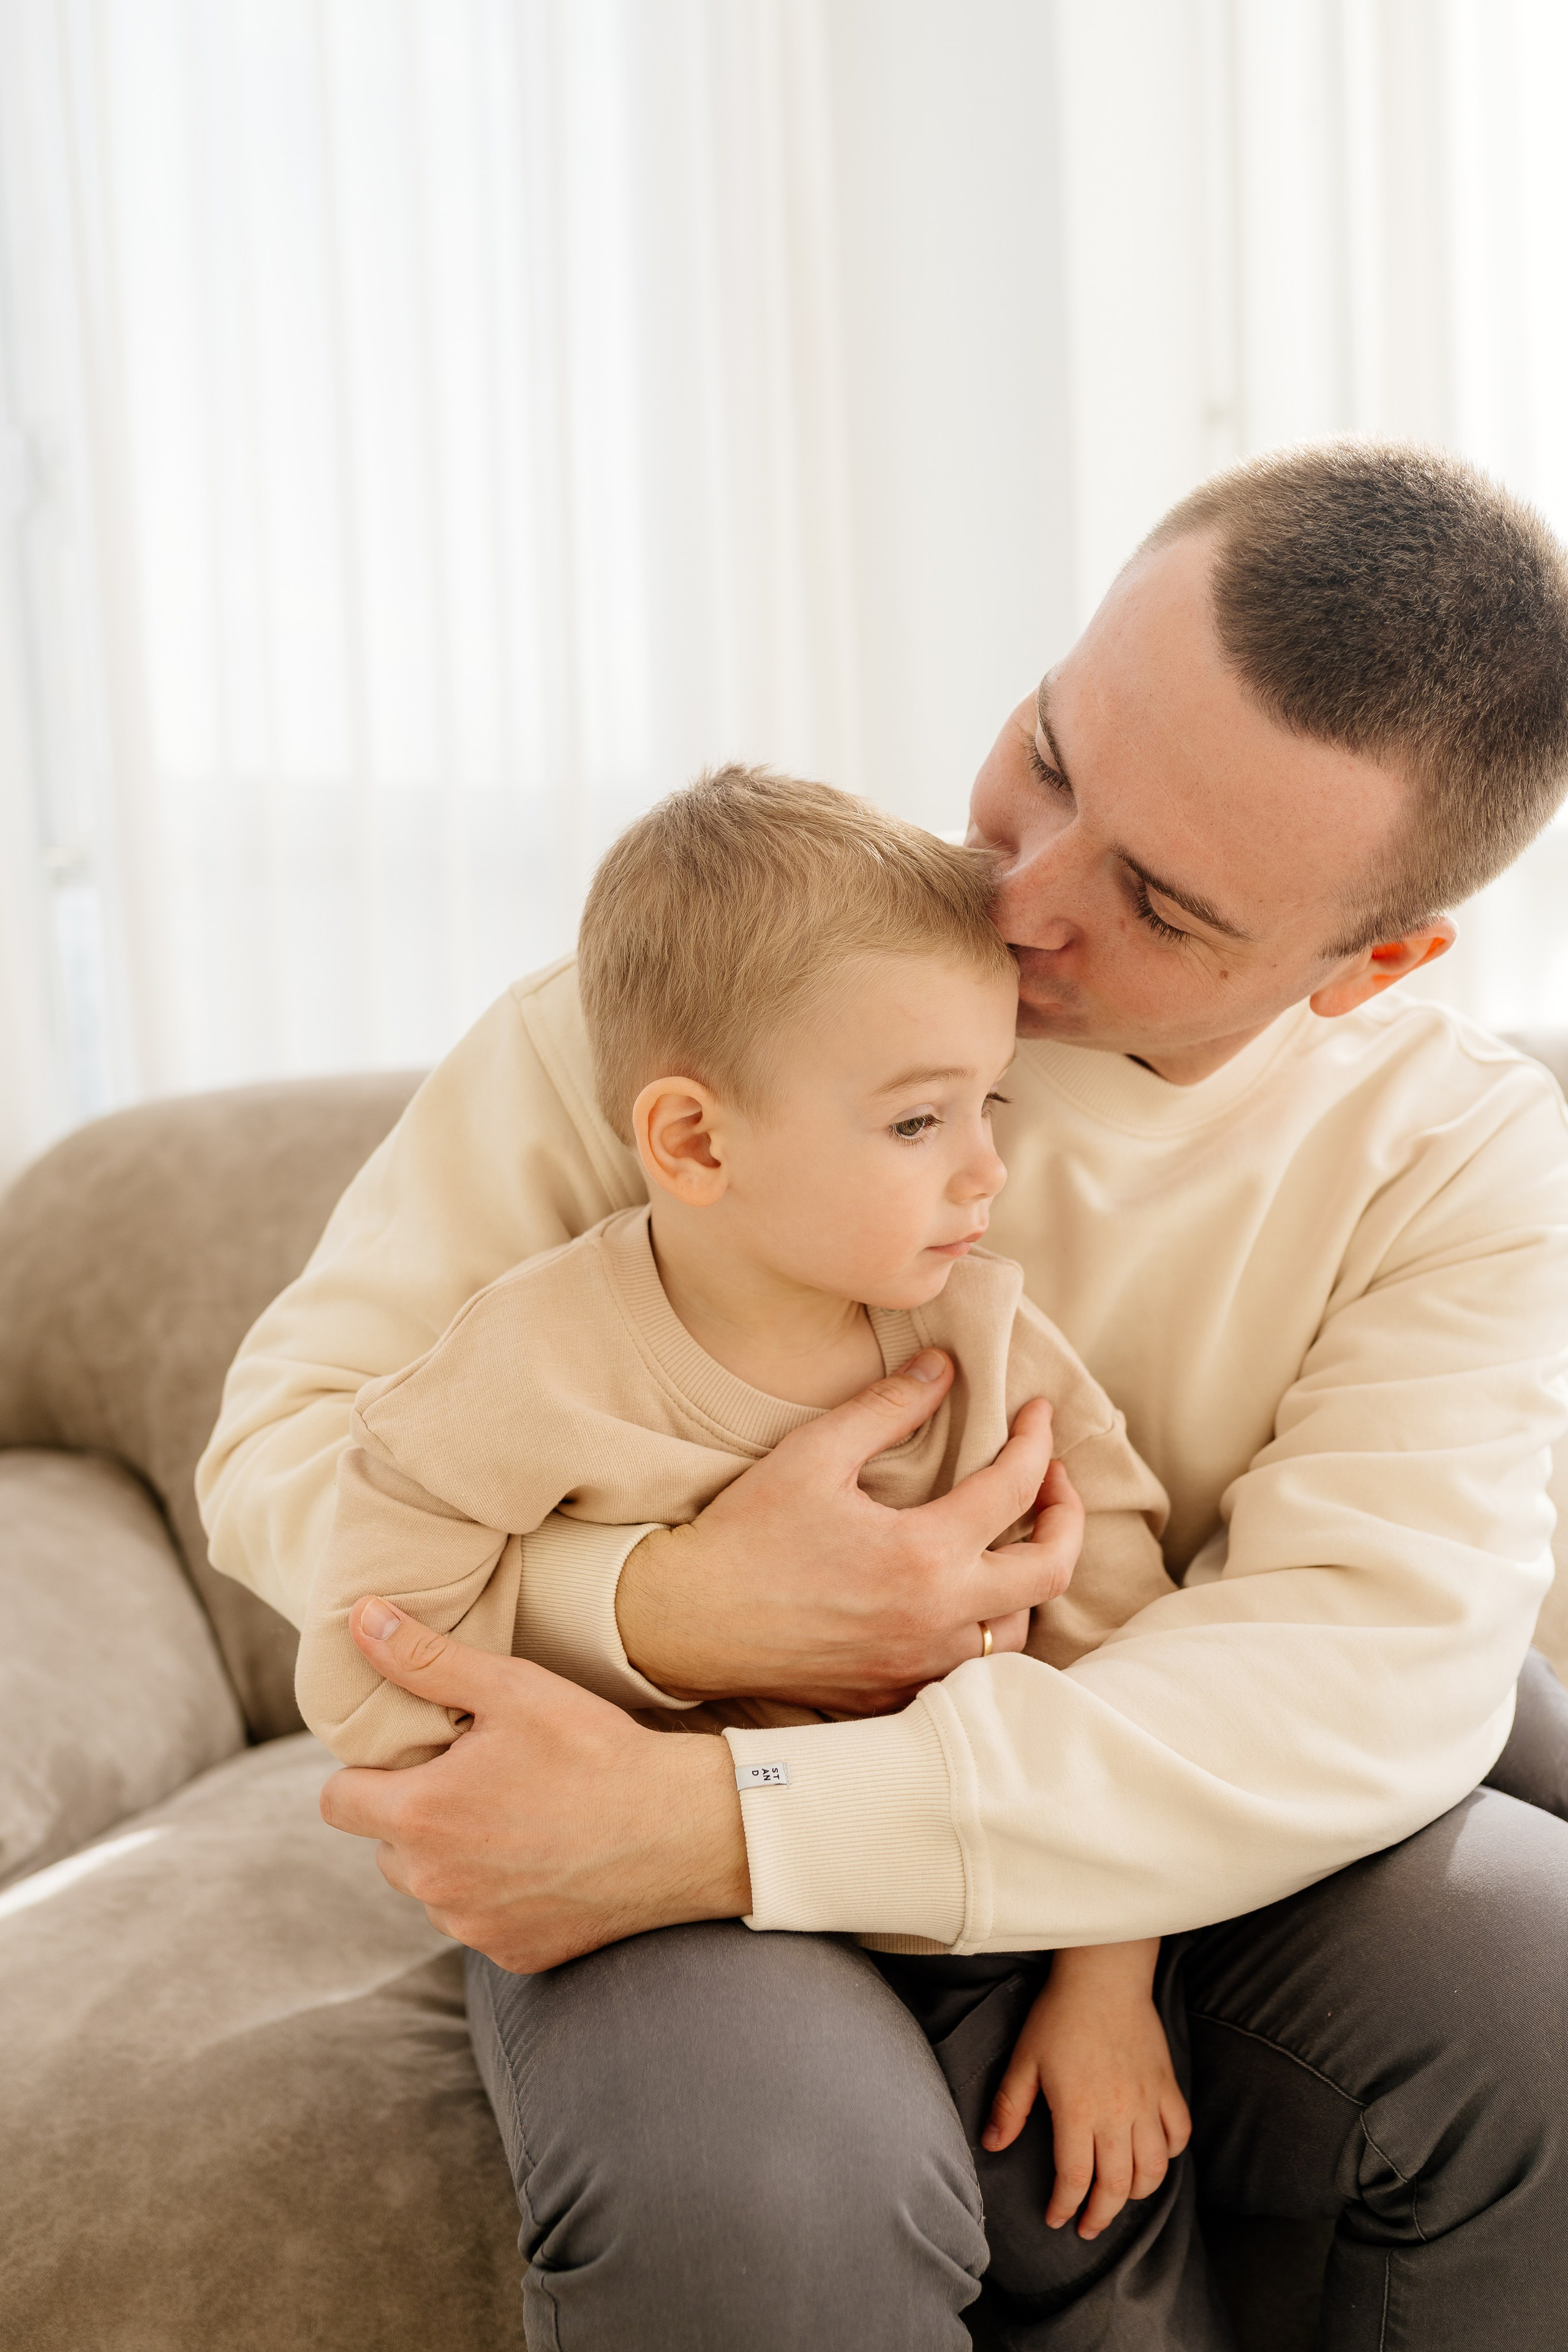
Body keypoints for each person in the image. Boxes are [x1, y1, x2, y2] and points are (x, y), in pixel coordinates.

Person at [198, 441, 1568, 2347]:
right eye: (1052, 755)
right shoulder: (702, 1007)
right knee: (748, 2179)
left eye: (1159, 902)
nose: (1018, 889)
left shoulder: (1458, 1159)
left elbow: (1364, 1670)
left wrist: (734, 1815)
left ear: (1377, 962)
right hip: (668, 1791)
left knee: (1536, 1957)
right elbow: (290, 1459)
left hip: (1137, 1851)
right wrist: (661, 1611)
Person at [296, 766, 1187, 2234]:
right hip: (661, 1912)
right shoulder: (525, 1363)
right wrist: (532, 1789)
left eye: (987, 1103)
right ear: (696, 1143)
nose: (987, 1168)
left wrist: (1107, 1984)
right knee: (782, 2170)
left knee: (1084, 2228)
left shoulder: (989, 1340)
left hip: (991, 1899)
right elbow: (372, 1649)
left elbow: (1131, 1668)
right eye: (918, 1122)